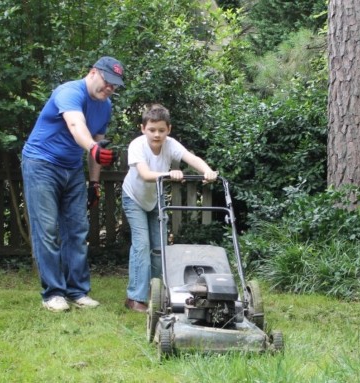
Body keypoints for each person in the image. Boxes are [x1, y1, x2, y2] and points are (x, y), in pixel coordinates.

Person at [21, 56, 124, 312]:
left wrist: (94, 183)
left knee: (77, 230)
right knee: (47, 230)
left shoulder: (106, 106)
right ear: (93, 73)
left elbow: (98, 146)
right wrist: (92, 147)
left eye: (115, 85)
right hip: (40, 164)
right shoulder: (69, 92)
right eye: (107, 81)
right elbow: (76, 125)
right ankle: (53, 294)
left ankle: (77, 291)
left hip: (71, 169)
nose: (109, 88)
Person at [122, 104, 218, 312]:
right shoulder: (137, 146)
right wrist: (168, 175)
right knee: (141, 245)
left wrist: (208, 171)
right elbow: (146, 175)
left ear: (169, 129)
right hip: (134, 198)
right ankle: (135, 298)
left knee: (159, 249)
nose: (157, 135)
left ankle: (155, 293)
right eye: (152, 130)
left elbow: (191, 158)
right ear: (143, 128)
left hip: (155, 199)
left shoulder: (171, 144)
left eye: (161, 130)